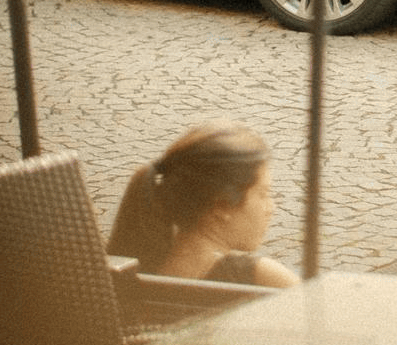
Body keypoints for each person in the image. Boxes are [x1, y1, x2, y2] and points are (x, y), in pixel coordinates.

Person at [107, 120, 298, 287]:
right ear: (222, 205)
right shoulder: (260, 276)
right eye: (263, 194)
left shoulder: (136, 270)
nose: (271, 208)